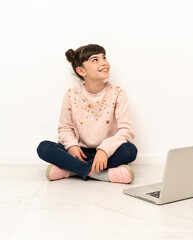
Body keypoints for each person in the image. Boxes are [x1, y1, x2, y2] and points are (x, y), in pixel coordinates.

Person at [36, 44, 138, 184]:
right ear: (81, 70)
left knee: (129, 151)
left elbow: (126, 130)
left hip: (107, 152)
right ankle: (99, 174)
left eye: (104, 57)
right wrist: (72, 145)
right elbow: (65, 128)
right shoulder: (72, 95)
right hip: (78, 152)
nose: (104, 62)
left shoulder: (117, 92)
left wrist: (104, 150)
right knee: (44, 147)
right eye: (95, 60)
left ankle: (71, 170)